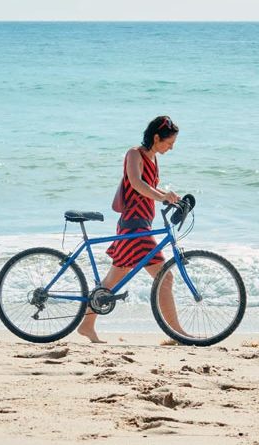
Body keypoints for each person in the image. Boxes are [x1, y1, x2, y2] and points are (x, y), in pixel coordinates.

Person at [77, 115, 183, 343]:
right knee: (166, 278)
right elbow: (136, 183)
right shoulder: (134, 154)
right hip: (133, 227)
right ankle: (177, 333)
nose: (171, 148)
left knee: (111, 282)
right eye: (169, 143)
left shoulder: (153, 159)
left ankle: (86, 325)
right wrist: (162, 196)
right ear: (156, 137)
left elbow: (149, 188)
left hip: (140, 224)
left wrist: (169, 197)